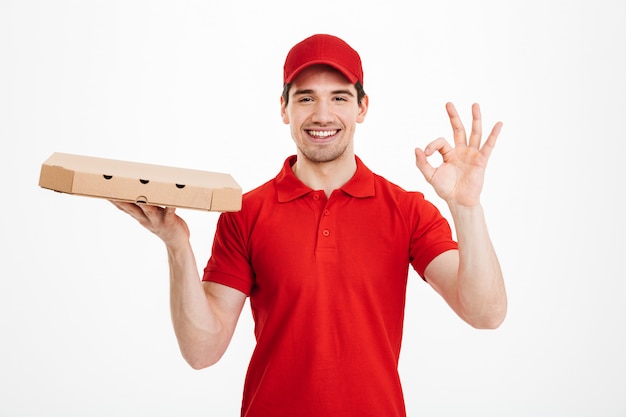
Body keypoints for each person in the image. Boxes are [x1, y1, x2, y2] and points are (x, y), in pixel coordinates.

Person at [112, 33, 507, 417]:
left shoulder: (406, 211)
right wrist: (177, 245)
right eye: (306, 98)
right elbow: (202, 351)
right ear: (284, 109)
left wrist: (465, 207)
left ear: (362, 107)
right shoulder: (244, 213)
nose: (322, 114)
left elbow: (485, 313)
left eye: (339, 97)